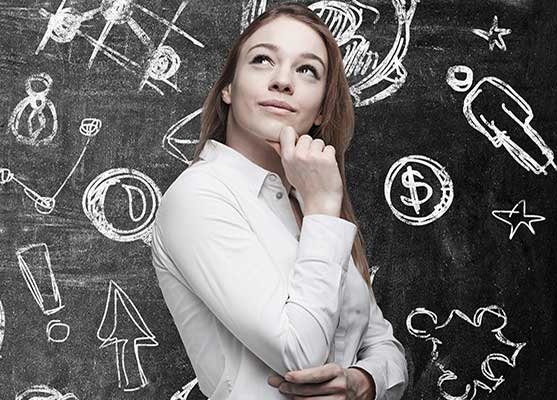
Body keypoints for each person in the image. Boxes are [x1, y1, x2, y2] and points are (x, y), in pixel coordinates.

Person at [150, 3, 408, 399]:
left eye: (307, 70)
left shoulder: (307, 202)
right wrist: (324, 209)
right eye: (262, 60)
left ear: (322, 108)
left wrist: (362, 382)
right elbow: (300, 356)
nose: (283, 80)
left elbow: (385, 347)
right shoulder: (199, 196)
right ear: (229, 89)